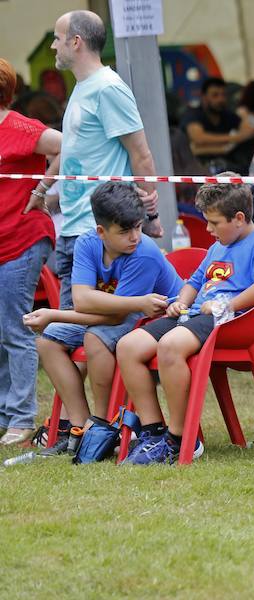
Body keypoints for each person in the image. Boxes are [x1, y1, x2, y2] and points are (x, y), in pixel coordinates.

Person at [116, 178, 254, 465]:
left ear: (239, 219)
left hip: (232, 321)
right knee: (128, 346)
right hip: (196, 315)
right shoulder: (218, 247)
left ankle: (180, 439)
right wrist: (181, 301)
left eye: (214, 222)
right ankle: (154, 432)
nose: (207, 229)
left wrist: (225, 305)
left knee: (169, 346)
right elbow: (193, 282)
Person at [23, 183, 181, 456]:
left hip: (155, 321)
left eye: (138, 227)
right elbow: (84, 300)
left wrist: (53, 314)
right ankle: (80, 426)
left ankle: (104, 425)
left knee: (94, 338)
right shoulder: (86, 243)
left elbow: (115, 315)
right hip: (127, 310)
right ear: (101, 232)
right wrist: (53, 318)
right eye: (124, 231)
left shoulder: (144, 252)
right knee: (47, 343)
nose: (134, 236)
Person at [51, 9, 162, 309]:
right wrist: (41, 191)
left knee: (74, 335)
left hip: (99, 230)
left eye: (56, 39)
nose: (53, 46)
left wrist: (149, 217)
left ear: (76, 42)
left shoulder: (107, 87)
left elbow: (141, 154)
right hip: (76, 226)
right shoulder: (85, 87)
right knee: (70, 337)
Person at [0, 58, 61, 446]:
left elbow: (68, 147)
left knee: (13, 330)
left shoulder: (19, 126)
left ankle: (20, 421)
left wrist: (42, 192)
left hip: (21, 237)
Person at [181, 77, 254, 171]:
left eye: (223, 95)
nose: (220, 99)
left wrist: (204, 148)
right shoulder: (193, 114)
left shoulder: (227, 115)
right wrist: (234, 139)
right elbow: (199, 138)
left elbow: (249, 131)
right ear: (204, 97)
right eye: (215, 95)